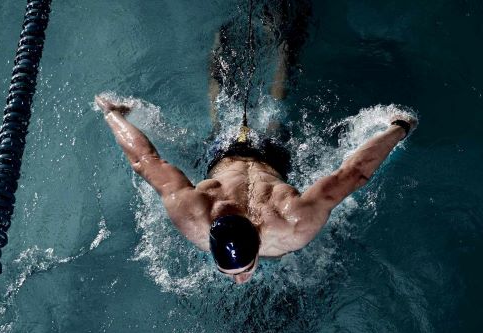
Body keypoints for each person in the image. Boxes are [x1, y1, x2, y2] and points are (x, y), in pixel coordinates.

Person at [95, 12, 417, 285]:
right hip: (228, 154)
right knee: (237, 111)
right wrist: (113, 114)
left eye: (242, 269)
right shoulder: (202, 215)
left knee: (254, 108)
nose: (239, 280)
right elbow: (142, 159)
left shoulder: (294, 226)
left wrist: (399, 127)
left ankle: (247, 40)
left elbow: (356, 174)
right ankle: (265, 40)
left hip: (263, 154)